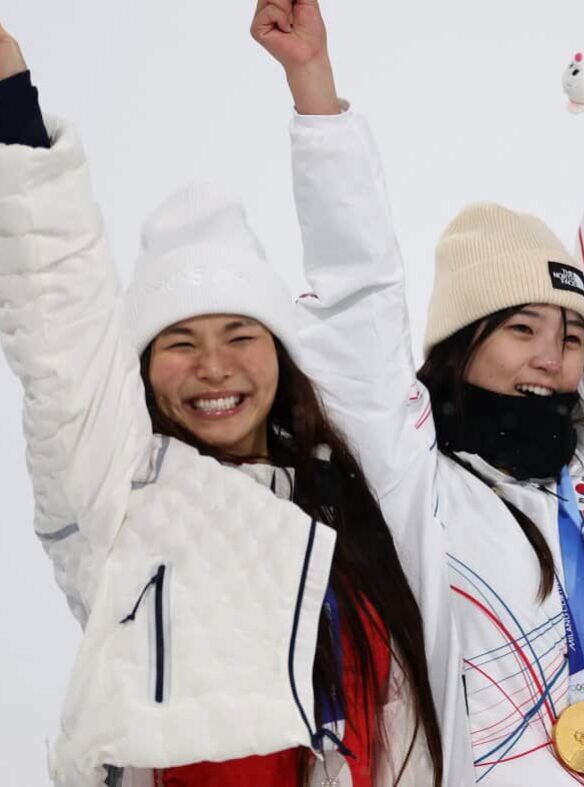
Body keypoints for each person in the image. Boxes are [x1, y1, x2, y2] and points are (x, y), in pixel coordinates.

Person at [248, 0, 584, 782]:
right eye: (521, 329)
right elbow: (356, 295)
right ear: (461, 346)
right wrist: (313, 87)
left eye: (567, 335)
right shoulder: (415, 480)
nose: (552, 358)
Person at [0, 21, 441, 787]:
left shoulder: (342, 502)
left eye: (241, 334)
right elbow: (58, 327)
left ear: (280, 354)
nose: (213, 367)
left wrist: (313, 79)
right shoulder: (118, 497)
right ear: (139, 366)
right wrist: (11, 105)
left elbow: (361, 288)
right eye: (179, 342)